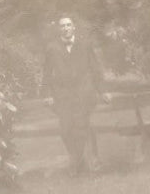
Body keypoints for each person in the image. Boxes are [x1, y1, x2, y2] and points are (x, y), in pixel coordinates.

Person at [41, 16, 105, 173]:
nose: (66, 28)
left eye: (69, 25)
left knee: (82, 127)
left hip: (84, 93)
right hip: (63, 95)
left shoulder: (85, 44)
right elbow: (47, 73)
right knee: (66, 130)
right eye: (62, 26)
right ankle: (78, 160)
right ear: (58, 29)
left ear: (74, 27)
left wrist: (102, 91)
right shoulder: (52, 48)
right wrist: (48, 94)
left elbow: (96, 69)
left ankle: (86, 164)